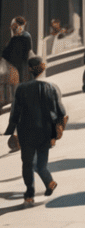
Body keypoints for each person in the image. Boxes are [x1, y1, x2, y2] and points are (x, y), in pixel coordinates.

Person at [6, 54, 66, 203]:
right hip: (45, 132)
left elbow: (15, 113)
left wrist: (12, 131)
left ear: (30, 70)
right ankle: (49, 182)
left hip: (26, 132)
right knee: (41, 163)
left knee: (27, 164)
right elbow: (61, 112)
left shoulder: (21, 89)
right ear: (43, 69)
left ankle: (29, 194)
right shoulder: (52, 87)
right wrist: (58, 130)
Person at [3, 16, 34, 113]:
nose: (13, 28)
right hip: (18, 65)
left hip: (21, 65)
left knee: (20, 85)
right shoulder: (19, 38)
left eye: (15, 26)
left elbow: (26, 51)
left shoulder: (23, 37)